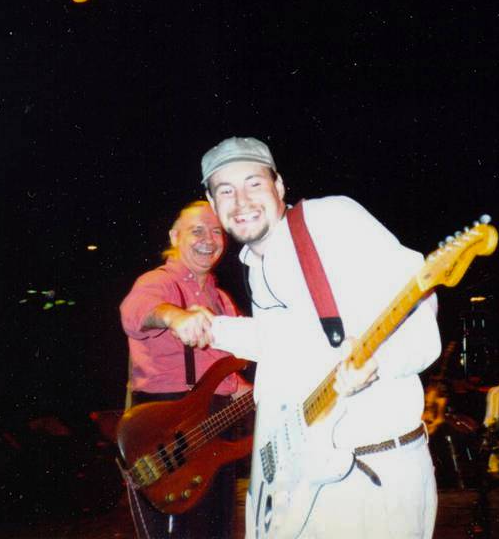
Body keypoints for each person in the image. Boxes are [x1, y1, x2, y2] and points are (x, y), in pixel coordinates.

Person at [172, 136, 442, 538]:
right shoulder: (255, 262)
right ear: (214, 205)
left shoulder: (330, 220)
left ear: (279, 187)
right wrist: (212, 327)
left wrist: (378, 363)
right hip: (298, 477)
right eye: (225, 191)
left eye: (254, 183)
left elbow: (420, 311)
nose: (241, 201)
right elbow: (283, 342)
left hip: (369, 475)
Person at [119, 200, 249, 539]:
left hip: (217, 424)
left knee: (217, 528)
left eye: (217, 231)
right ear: (175, 237)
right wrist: (174, 316)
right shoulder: (159, 281)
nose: (209, 238)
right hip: (169, 430)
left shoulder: (222, 299)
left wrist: (249, 389)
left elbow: (226, 370)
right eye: (197, 230)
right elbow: (135, 312)